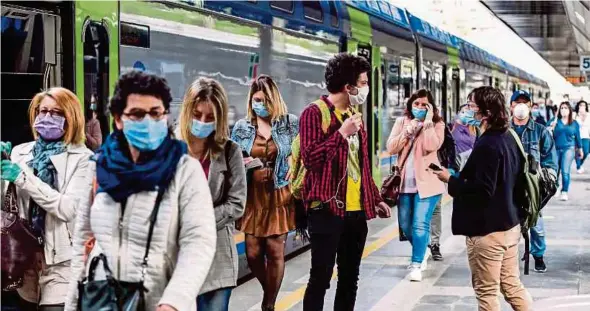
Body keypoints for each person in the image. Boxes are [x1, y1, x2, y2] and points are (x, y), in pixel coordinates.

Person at [64, 71, 217, 311]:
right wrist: (72, 304)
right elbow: (83, 241)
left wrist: (174, 301)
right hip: (103, 298)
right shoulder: (98, 167)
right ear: (118, 119)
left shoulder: (185, 170)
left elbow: (198, 242)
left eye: (155, 113)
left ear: (166, 115)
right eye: (137, 114)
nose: (148, 121)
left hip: (160, 301)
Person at [300, 53, 391, 311]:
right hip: (326, 210)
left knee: (350, 278)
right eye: (362, 82)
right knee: (320, 278)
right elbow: (311, 160)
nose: (365, 88)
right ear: (347, 86)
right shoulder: (314, 114)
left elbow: (360, 165)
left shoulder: (354, 114)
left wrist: (375, 199)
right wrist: (341, 134)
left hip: (355, 212)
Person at [434, 86, 532, 311]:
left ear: (485, 113)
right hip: (509, 225)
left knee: (487, 293)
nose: (467, 110)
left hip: (488, 231)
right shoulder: (508, 136)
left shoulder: (488, 144)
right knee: (512, 286)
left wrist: (450, 179)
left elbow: (481, 191)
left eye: (471, 106)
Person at [0, 87, 94, 310]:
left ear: (71, 118)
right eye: (43, 111)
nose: (47, 118)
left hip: (61, 260)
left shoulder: (83, 159)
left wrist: (22, 177)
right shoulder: (21, 153)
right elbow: (5, 204)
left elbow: (67, 208)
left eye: (56, 113)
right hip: (23, 258)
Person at [178, 77, 247, 311]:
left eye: (210, 118)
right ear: (187, 110)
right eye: (197, 115)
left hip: (216, 258)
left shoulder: (230, 151)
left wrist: (199, 220)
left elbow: (237, 204)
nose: (202, 122)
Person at [230, 75, 298, 311]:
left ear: (274, 100)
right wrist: (250, 168)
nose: (260, 104)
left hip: (279, 193)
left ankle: (268, 304)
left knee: (275, 250)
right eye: (256, 100)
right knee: (253, 253)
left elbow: (302, 152)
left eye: (265, 100)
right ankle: (268, 289)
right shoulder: (242, 127)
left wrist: (293, 160)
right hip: (253, 195)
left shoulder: (290, 124)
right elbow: (233, 158)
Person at [387, 89, 445, 281]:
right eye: (416, 104)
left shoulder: (437, 125)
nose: (419, 108)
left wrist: (427, 124)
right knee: (405, 226)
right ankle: (424, 248)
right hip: (404, 184)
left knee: (420, 225)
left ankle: (416, 264)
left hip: (428, 184)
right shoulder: (402, 122)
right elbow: (391, 147)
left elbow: (431, 146)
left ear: (431, 107)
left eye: (424, 105)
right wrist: (406, 132)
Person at [508, 90, 558, 273]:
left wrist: (548, 181)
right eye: (517, 102)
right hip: (508, 184)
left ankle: (538, 255)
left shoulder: (541, 131)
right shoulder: (503, 130)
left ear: (530, 106)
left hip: (533, 186)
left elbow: (550, 160)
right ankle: (508, 258)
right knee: (506, 223)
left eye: (524, 102)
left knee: (536, 223)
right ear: (511, 106)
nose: (520, 106)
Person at [553, 101, 583, 201]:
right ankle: (556, 187)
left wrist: (580, 149)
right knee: (555, 171)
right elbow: (546, 133)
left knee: (565, 171)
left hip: (569, 149)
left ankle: (564, 191)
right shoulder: (555, 121)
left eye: (566, 108)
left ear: (570, 110)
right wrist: (551, 127)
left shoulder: (574, 123)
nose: (563, 110)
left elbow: (578, 137)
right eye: (561, 108)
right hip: (556, 149)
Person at [575, 100, 590, 173]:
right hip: (576, 136)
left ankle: (580, 164)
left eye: (584, 105)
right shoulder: (575, 115)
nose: (582, 107)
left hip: (586, 136)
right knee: (578, 152)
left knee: (586, 152)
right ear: (578, 106)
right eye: (580, 105)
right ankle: (578, 166)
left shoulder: (589, 115)